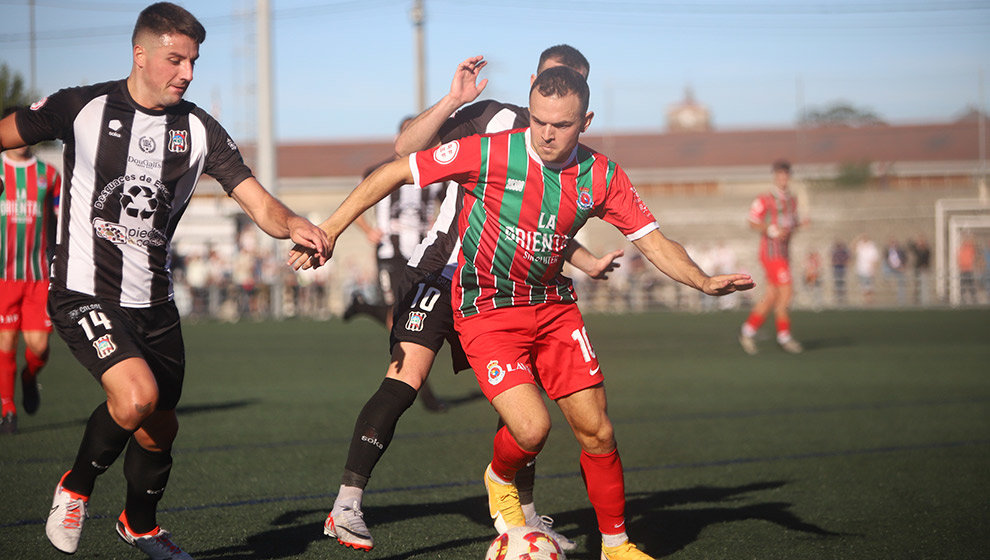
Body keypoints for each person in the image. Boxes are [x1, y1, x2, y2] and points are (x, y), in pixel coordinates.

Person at [293, 65, 753, 560]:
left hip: (552, 307)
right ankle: (360, 499)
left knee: (596, 429)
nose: (547, 134)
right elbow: (397, 164)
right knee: (500, 416)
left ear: (586, 120)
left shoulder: (602, 175)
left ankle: (613, 545)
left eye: (562, 124)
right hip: (474, 299)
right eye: (539, 121)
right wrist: (332, 229)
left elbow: (650, 242)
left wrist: (702, 280)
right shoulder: (492, 142)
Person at [0, 3, 328, 558]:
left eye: (193, 61)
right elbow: (7, 131)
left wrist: (293, 223)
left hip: (154, 303)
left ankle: (141, 524)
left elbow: (255, 199)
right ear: (141, 54)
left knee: (159, 429)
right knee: (135, 399)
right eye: (175, 59)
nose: (187, 73)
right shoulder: (81, 106)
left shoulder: (199, 129)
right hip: (83, 291)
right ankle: (76, 486)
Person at [301, 46, 618, 554]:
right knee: (405, 380)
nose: (561, 110)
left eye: (575, 91)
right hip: (443, 270)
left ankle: (525, 515)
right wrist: (453, 100)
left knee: (524, 401)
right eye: (555, 83)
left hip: (509, 291)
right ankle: (346, 504)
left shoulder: (570, 154)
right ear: (536, 79)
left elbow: (541, 223)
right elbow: (403, 149)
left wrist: (586, 261)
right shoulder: (493, 119)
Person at [343, 117, 448, 412]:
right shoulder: (380, 171)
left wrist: (438, 226)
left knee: (415, 315)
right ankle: (424, 393)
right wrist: (367, 231)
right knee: (400, 320)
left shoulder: (434, 175)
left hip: (423, 255)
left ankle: (361, 306)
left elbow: (450, 204)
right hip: (390, 254)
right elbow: (356, 201)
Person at [0, 106, 61, 435]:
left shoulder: (48, 175)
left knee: (38, 347)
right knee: (5, 343)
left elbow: (61, 217)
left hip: (38, 275)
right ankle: (8, 411)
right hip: (3, 275)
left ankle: (29, 377)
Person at [738, 159, 803, 355]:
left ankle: (747, 332)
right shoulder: (765, 199)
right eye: (780, 174)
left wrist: (795, 230)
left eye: (786, 174)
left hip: (782, 255)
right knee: (787, 293)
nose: (783, 178)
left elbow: (791, 228)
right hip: (770, 253)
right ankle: (784, 337)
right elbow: (751, 222)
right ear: (775, 176)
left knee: (772, 296)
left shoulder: (792, 201)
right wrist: (770, 229)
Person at [830, 239, 850, 306]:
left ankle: (842, 297)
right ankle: (837, 297)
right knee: (837, 282)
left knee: (842, 282)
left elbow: (848, 257)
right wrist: (834, 263)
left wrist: (845, 263)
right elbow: (832, 258)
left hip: (842, 267)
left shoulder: (844, 251)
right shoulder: (834, 251)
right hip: (836, 267)